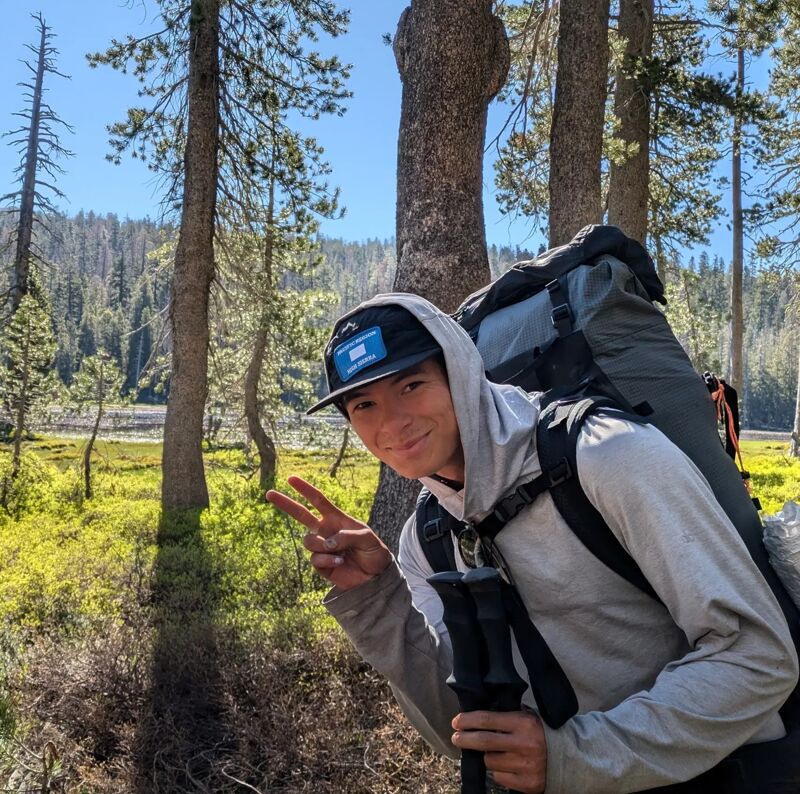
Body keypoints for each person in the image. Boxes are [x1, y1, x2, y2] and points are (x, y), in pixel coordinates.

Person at [266, 292, 798, 793]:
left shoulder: (607, 456)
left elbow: (756, 655)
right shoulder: (424, 541)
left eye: (411, 386)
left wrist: (576, 756)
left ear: (461, 372)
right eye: (364, 406)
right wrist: (377, 599)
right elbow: (464, 729)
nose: (393, 423)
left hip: (729, 771)